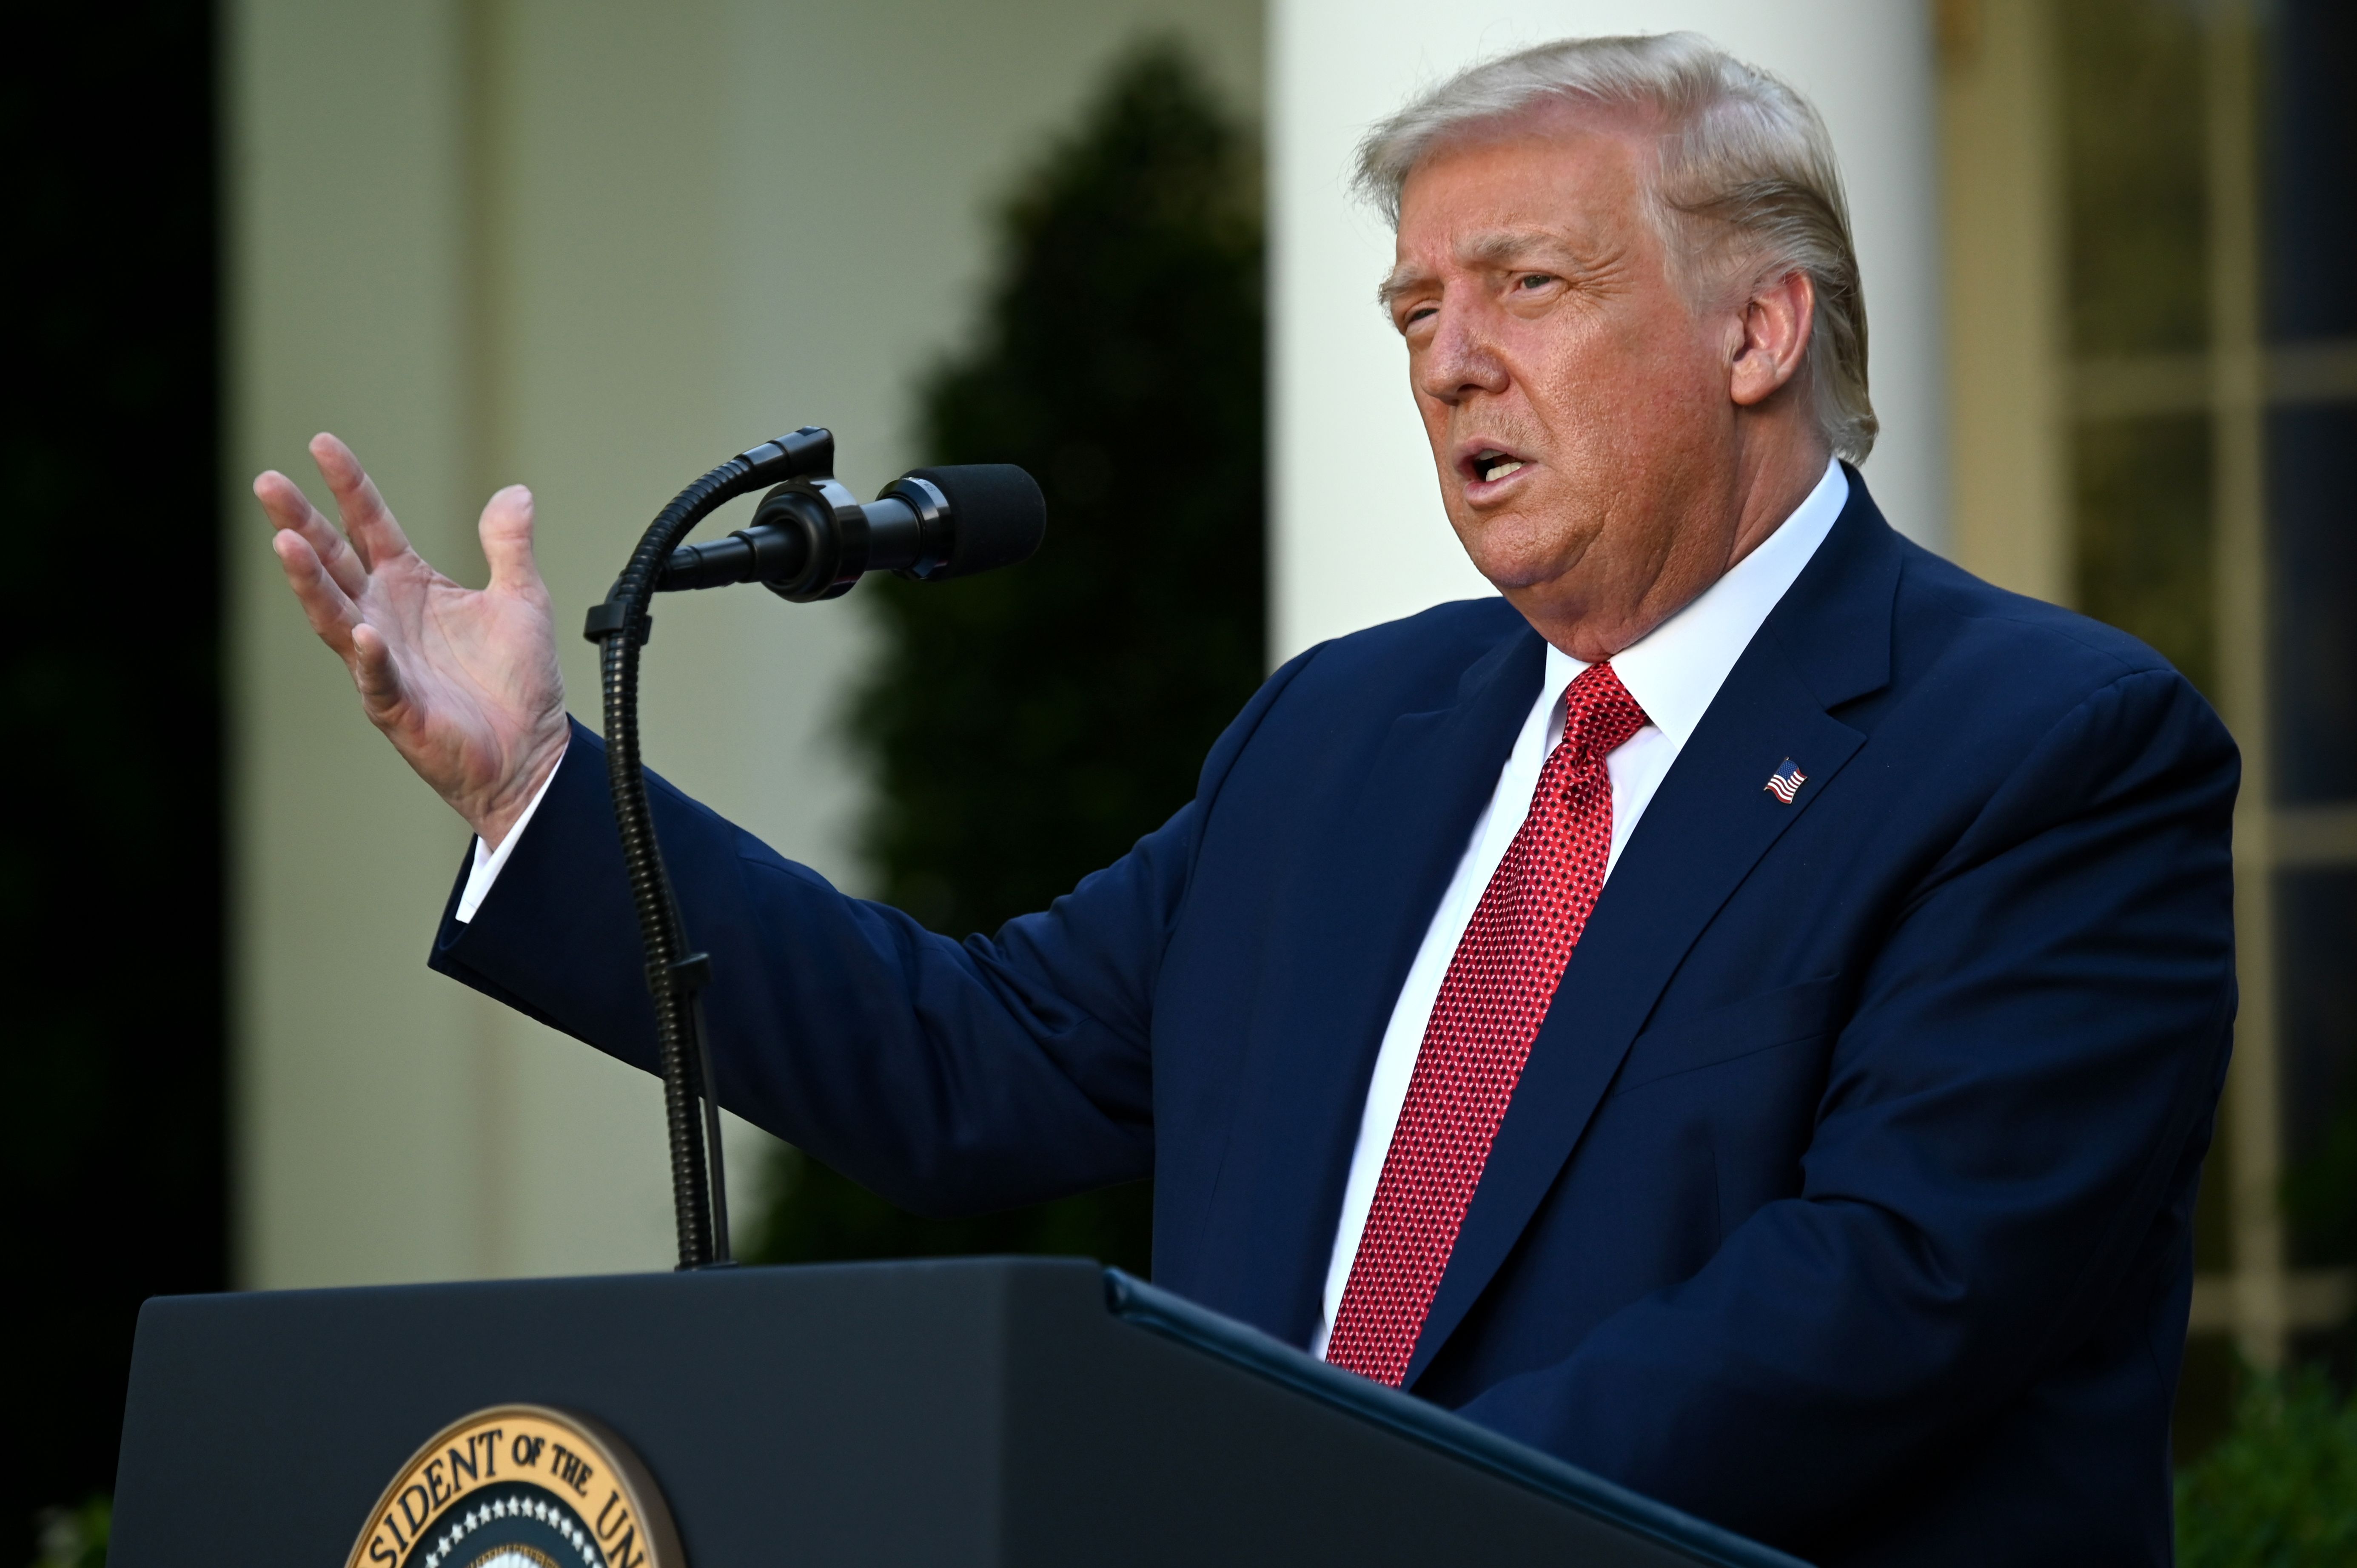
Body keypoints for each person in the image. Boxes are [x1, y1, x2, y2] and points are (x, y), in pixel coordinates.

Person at [256, 33, 2236, 1567]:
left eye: (1527, 286)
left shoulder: (2045, 752)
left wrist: (1298, 1511)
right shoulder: (1343, 738)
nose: (1450, 362)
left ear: (1758, 328)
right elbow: (970, 1061)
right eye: (1412, 314)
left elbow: (1881, 1298)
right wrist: (535, 779)